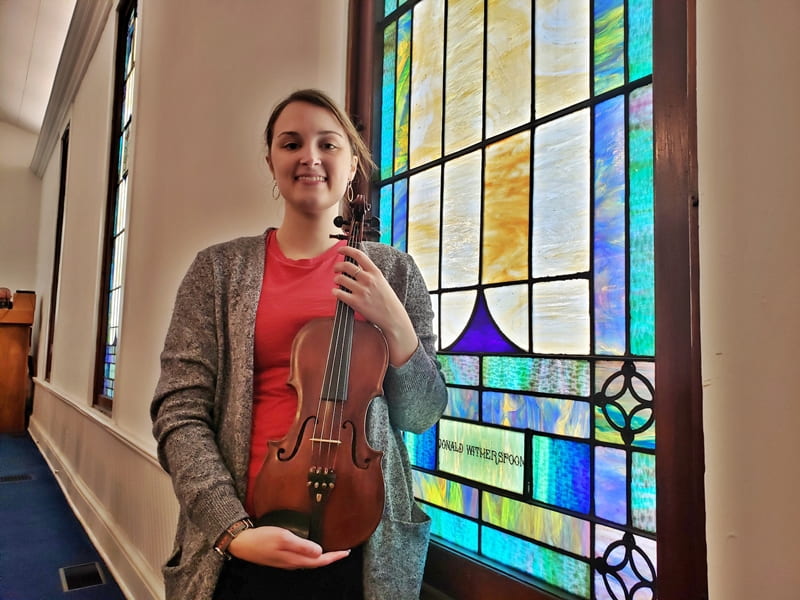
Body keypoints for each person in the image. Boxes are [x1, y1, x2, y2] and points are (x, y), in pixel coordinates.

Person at [151, 89, 448, 600]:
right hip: (242, 542)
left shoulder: (395, 273)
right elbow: (179, 411)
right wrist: (232, 530)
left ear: (353, 162)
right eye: (291, 144)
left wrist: (395, 324)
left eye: (328, 144)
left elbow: (421, 414)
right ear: (271, 161)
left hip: (363, 547)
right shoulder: (218, 271)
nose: (309, 156)